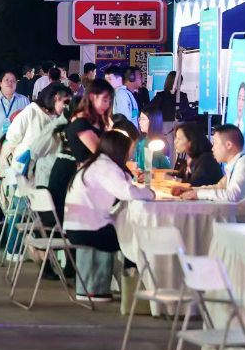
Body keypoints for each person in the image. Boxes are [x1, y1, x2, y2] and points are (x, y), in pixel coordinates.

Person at [64, 131, 154, 302]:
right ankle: (133, 292)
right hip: (89, 231)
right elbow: (127, 192)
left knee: (126, 233)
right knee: (136, 240)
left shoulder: (95, 163)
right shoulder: (106, 167)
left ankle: (123, 289)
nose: (129, 155)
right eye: (128, 151)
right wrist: (150, 194)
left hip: (78, 227)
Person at [176, 125, 245, 223]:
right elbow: (219, 187)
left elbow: (233, 196)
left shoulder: (244, 164)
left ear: (228, 145)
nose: (212, 148)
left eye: (215, 143)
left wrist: (198, 194)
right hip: (237, 221)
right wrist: (191, 190)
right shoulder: (236, 164)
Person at [5, 82, 72, 180]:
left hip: (48, 172)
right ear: (56, 98)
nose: (67, 107)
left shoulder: (60, 119)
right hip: (26, 173)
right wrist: (23, 161)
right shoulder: (31, 111)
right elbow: (12, 139)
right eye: (66, 102)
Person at [67, 78, 114, 163]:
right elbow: (101, 153)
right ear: (92, 97)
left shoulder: (99, 119)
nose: (107, 105)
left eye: (109, 102)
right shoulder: (80, 122)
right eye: (104, 100)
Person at [132, 108, 171, 174]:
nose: (140, 122)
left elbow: (148, 170)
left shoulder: (149, 143)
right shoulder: (142, 142)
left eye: (143, 119)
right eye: (139, 119)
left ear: (153, 121)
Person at [105, 67, 139, 131]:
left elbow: (122, 119)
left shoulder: (120, 94)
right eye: (106, 80)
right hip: (132, 131)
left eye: (110, 79)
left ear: (119, 79)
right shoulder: (126, 92)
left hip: (125, 131)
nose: (107, 82)